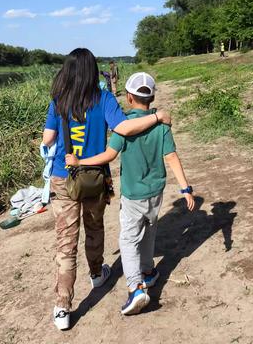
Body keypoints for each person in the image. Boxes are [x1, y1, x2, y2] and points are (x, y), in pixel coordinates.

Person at [42, 49, 172, 330]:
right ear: (92, 72)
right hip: (94, 178)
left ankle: (62, 307)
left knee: (66, 244)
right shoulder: (103, 99)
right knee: (94, 227)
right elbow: (124, 127)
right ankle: (96, 272)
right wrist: (157, 117)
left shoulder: (58, 100)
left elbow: (48, 138)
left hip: (62, 179)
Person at [66, 71, 195, 316]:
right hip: (156, 191)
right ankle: (148, 271)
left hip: (133, 194)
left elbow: (108, 156)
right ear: (152, 97)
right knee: (149, 231)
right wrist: (185, 188)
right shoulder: (162, 126)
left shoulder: (124, 128)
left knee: (128, 239)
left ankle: (135, 287)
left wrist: (79, 162)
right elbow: (171, 157)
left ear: (129, 98)